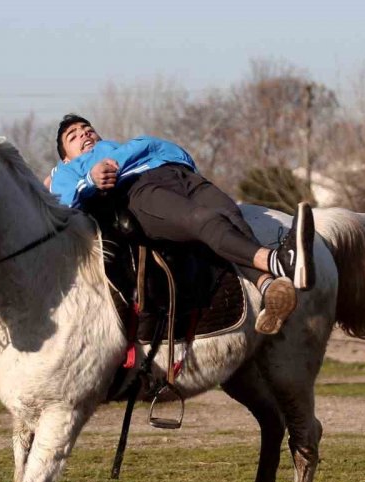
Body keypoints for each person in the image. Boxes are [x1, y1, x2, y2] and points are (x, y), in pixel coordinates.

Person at [46, 114, 315, 335]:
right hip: (138, 188)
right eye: (73, 136)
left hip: (180, 173)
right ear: (66, 157)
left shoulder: (121, 146)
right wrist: (91, 180)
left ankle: (268, 287)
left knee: (232, 215)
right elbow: (63, 201)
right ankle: (280, 261)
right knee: (204, 220)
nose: (83, 133)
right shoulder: (68, 170)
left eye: (87, 128)